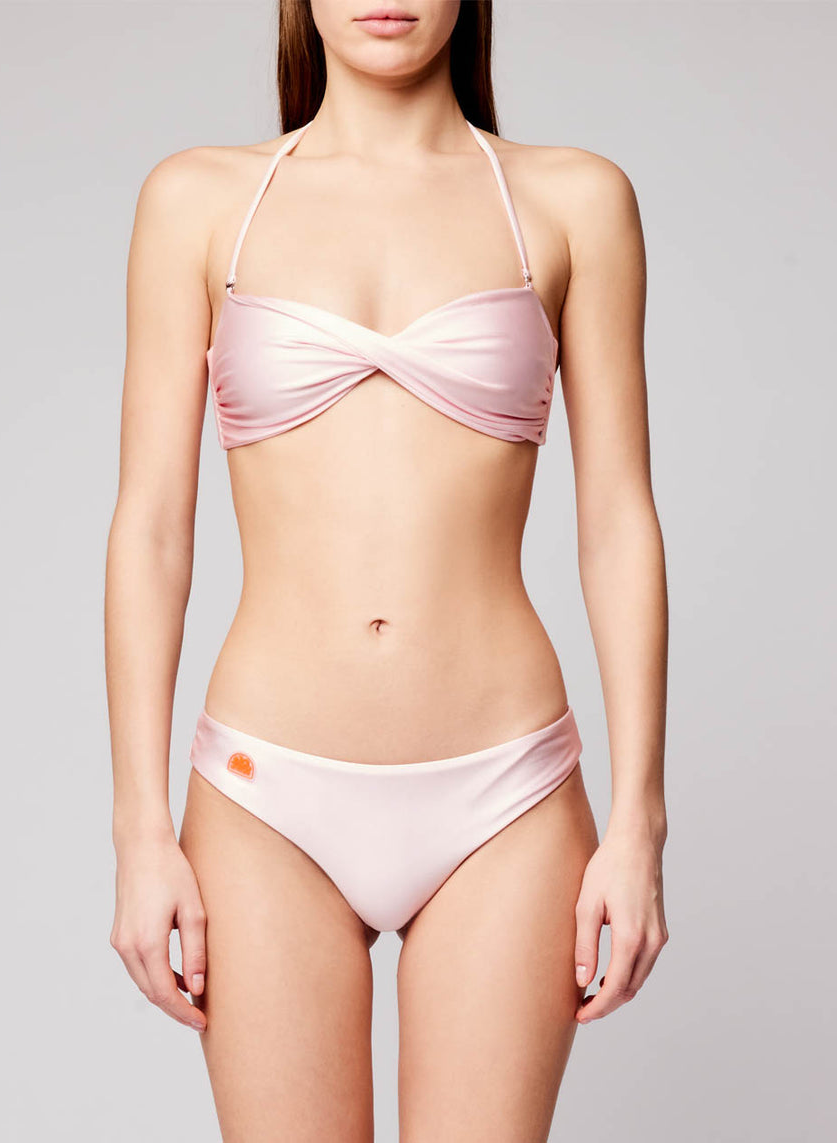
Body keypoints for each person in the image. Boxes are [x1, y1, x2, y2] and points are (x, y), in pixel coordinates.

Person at [105, 2, 670, 1138]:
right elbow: (152, 528)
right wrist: (139, 832)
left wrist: (639, 825)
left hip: (506, 794)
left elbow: (617, 521)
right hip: (264, 795)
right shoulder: (198, 201)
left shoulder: (574, 200)